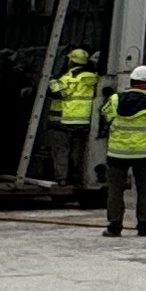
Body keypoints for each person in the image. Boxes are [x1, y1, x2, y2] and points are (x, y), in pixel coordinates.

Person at [100, 63, 146, 237]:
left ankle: (114, 226)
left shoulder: (115, 100)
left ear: (132, 81)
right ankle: (144, 226)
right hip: (145, 154)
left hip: (117, 154)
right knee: (144, 189)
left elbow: (105, 117)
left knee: (115, 190)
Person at [47, 44, 101, 185]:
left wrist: (52, 81)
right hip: (83, 122)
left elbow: (58, 93)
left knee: (62, 150)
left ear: (71, 61)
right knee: (78, 152)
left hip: (66, 121)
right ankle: (78, 177)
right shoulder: (93, 78)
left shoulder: (69, 78)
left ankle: (62, 179)